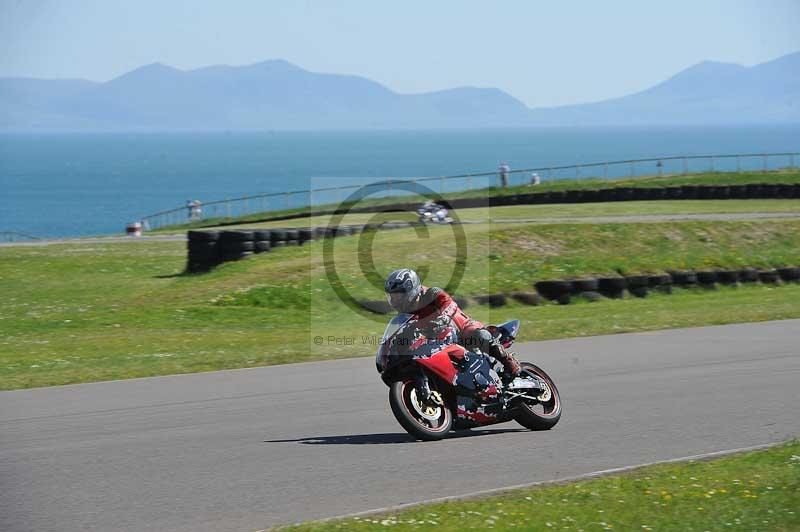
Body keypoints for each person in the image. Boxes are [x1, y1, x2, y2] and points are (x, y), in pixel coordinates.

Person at [384, 268, 522, 379]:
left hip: (461, 329)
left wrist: (443, 318)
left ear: (411, 289)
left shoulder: (431, 294)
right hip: (437, 340)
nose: (395, 300)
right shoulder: (405, 314)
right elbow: (402, 332)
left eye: (398, 296)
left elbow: (449, 304)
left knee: (479, 335)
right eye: (392, 297)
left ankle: (508, 360)